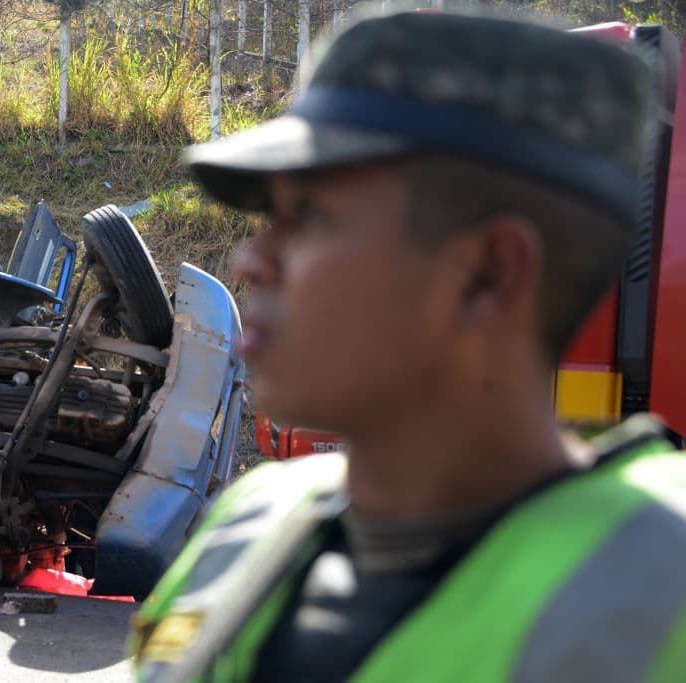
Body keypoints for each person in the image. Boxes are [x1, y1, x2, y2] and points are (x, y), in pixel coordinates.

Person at [130, 12, 686, 683]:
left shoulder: (661, 585)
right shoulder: (248, 523)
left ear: (489, 273)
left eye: (307, 216)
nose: (251, 260)